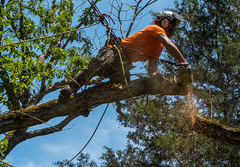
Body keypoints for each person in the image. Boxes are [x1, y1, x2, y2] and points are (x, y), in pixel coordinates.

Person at [59, 11, 190, 101]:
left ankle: (85, 101)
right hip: (116, 52)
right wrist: (183, 62)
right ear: (165, 22)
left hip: (124, 65)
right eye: (174, 24)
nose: (175, 28)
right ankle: (71, 87)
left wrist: (157, 77)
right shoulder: (156, 29)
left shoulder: (158, 47)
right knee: (100, 65)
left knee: (120, 89)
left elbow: (152, 69)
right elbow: (168, 44)